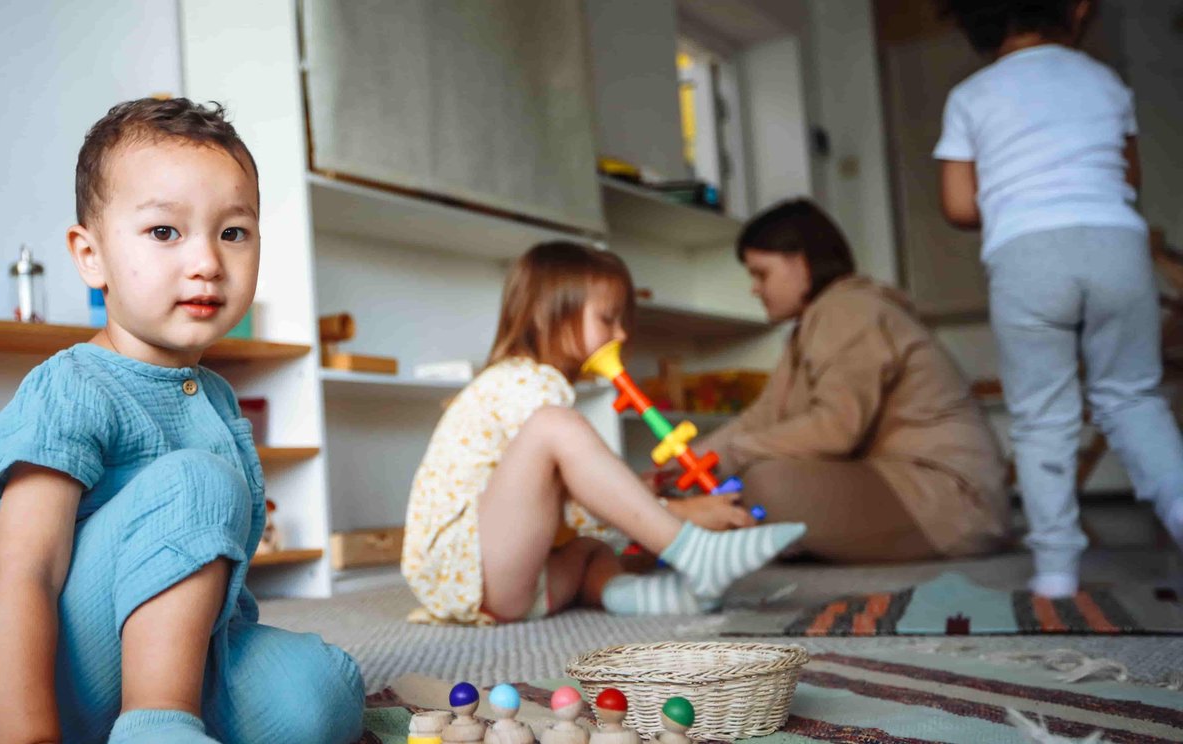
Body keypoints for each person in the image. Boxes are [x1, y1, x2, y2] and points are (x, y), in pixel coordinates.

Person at [0, 97, 363, 744]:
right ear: (90, 256)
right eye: (166, 232)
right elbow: (27, 575)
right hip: (31, 667)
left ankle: (164, 712)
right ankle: (153, 727)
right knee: (199, 482)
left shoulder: (214, 398)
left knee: (321, 695)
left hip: (152, 656)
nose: (207, 262)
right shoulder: (73, 387)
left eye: (233, 232)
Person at [401, 241, 806, 625]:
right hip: (470, 573)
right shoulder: (521, 381)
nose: (622, 335)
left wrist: (643, 498)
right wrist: (676, 513)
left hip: (518, 583)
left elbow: (584, 505)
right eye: (607, 319)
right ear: (550, 316)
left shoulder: (539, 387)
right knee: (553, 426)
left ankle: (673, 597)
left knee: (594, 553)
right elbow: (587, 505)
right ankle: (697, 553)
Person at [934, 0, 1183, 597]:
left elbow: (960, 206)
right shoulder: (1104, 81)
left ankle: (1055, 572)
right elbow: (1129, 180)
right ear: (1075, 8)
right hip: (1117, 247)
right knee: (1132, 395)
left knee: (1042, 412)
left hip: (1028, 256)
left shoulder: (972, 94)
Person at [698, 199, 1010, 564]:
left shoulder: (847, 309)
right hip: (896, 479)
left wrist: (733, 455)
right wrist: (691, 460)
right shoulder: (812, 324)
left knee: (764, 484)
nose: (754, 288)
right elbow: (764, 415)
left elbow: (835, 429)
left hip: (948, 497)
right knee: (749, 480)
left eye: (761, 274)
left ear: (801, 263)